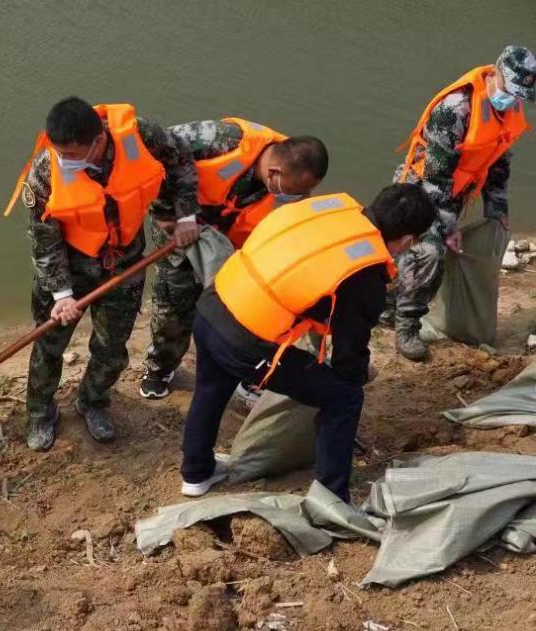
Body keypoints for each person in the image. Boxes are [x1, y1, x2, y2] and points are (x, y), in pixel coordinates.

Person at [180, 184, 436, 503]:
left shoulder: (333, 211)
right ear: (408, 240)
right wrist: (357, 375)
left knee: (210, 388)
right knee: (344, 397)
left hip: (214, 302)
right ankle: (331, 499)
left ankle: (196, 473)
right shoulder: (366, 272)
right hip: (243, 340)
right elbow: (349, 355)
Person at [6, 97, 200, 452]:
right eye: (58, 151)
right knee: (49, 346)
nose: (63, 159)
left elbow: (181, 159)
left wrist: (185, 215)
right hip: (68, 269)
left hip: (125, 264)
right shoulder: (45, 172)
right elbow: (43, 240)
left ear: (98, 141)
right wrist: (62, 294)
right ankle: (40, 412)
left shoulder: (140, 135)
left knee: (111, 348)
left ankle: (93, 402)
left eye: (71, 153)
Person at [139, 120, 329, 399]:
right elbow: (155, 156)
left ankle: (244, 372)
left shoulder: (293, 176)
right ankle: (160, 368)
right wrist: (168, 214)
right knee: (174, 301)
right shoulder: (220, 140)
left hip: (227, 238)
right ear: (274, 173)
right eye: (293, 191)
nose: (297, 197)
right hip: (178, 227)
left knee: (243, 307)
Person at [390, 45, 534, 361]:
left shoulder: (508, 110)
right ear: (496, 73)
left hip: (455, 190)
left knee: (442, 249)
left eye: (520, 95)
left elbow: (499, 163)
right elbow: (436, 178)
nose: (514, 99)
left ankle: (393, 300)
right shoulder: (455, 110)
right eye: (511, 90)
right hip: (419, 190)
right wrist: (448, 227)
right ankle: (406, 324)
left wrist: (497, 210)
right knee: (429, 252)